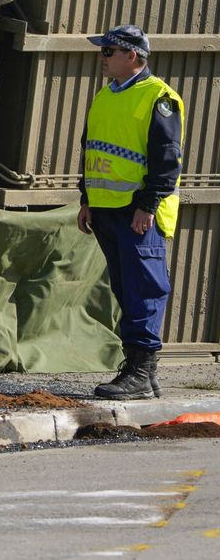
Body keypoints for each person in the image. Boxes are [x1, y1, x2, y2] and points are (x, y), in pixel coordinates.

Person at [78, 25, 185, 400]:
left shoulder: (159, 98)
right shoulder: (105, 96)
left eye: (108, 51)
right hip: (106, 208)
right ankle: (141, 371)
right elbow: (90, 149)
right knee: (126, 288)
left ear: (133, 57)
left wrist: (147, 204)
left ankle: (140, 371)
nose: (102, 58)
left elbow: (167, 160)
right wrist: (85, 198)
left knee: (144, 288)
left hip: (138, 212)